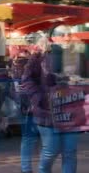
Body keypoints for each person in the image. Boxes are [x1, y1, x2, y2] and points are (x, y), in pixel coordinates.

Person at [21, 37, 79, 173]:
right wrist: (39, 97)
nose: (66, 38)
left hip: (71, 108)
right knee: (50, 151)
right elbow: (26, 80)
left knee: (70, 151)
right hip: (48, 110)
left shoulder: (76, 57)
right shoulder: (38, 58)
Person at [9, 49, 38, 173]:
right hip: (31, 109)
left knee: (28, 139)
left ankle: (26, 168)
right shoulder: (31, 71)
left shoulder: (17, 72)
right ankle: (28, 168)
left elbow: (14, 92)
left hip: (27, 109)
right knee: (31, 139)